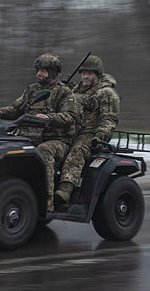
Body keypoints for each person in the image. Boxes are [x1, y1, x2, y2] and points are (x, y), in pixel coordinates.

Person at [0, 52, 79, 211]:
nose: (39, 73)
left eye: (43, 71)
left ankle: (47, 203)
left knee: (44, 150)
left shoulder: (64, 92)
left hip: (56, 141)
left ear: (52, 73)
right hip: (28, 137)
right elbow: (16, 108)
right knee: (3, 146)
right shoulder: (32, 90)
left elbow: (70, 116)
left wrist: (48, 118)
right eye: (38, 70)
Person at [54, 54, 120, 205]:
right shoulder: (76, 90)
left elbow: (109, 119)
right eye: (83, 73)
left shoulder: (106, 93)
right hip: (70, 132)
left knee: (77, 151)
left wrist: (100, 136)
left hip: (90, 134)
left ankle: (65, 189)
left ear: (97, 75)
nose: (85, 77)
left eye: (89, 73)